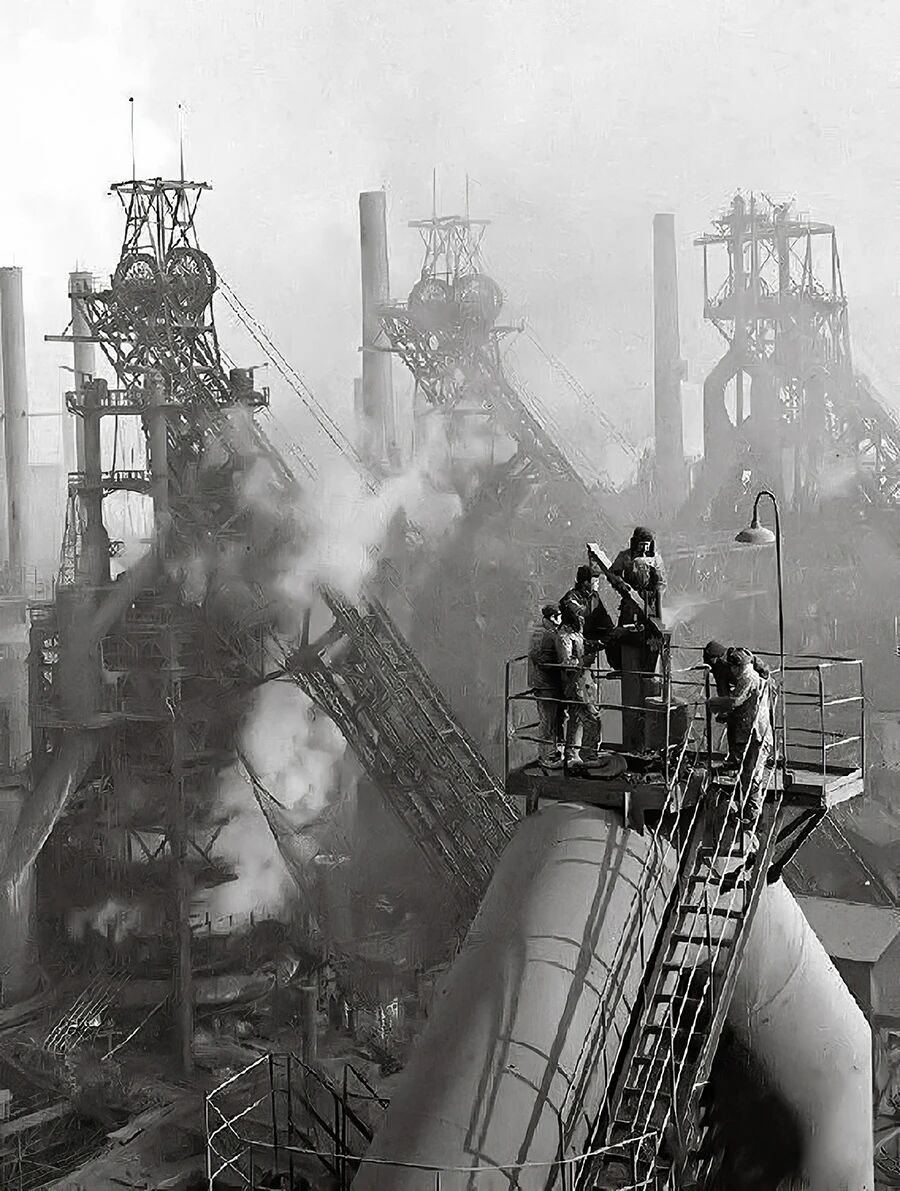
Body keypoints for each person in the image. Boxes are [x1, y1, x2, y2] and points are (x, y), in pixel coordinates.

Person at [704, 641, 774, 823]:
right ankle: (748, 809)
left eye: (733, 668)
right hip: (752, 726)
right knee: (748, 771)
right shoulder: (746, 672)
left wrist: (714, 704)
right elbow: (727, 692)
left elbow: (735, 700)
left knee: (752, 773)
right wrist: (724, 710)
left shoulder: (747, 678)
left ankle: (752, 813)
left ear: (736, 666)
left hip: (757, 731)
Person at [555, 603, 602, 775]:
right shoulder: (564, 637)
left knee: (576, 719)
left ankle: (572, 754)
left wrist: (595, 644)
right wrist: (585, 660)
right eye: (578, 614)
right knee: (591, 718)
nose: (582, 618)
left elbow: (581, 646)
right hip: (576, 683)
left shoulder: (575, 633)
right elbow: (567, 663)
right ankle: (588, 755)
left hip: (583, 681)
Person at [528, 603, 564, 769]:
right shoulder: (542, 633)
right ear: (553, 617)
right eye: (559, 616)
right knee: (547, 721)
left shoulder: (547, 632)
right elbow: (538, 657)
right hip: (545, 684)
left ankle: (553, 752)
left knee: (554, 719)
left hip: (549, 683)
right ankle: (546, 756)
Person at [560, 563, 616, 666]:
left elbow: (603, 617)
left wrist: (611, 631)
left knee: (616, 635)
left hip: (591, 636)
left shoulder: (593, 596)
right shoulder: (571, 598)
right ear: (586, 582)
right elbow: (583, 614)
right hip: (576, 638)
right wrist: (593, 595)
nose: (598, 583)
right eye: (595, 580)